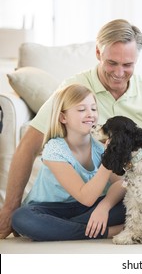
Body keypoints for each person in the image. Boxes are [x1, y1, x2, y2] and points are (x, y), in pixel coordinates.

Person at [0, 19, 142, 239]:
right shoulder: (74, 90)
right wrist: (8, 209)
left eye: (128, 65)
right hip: (67, 204)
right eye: (112, 63)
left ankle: (58, 229)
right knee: (23, 218)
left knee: (133, 205)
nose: (119, 73)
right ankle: (97, 231)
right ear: (98, 53)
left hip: (110, 199)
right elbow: (28, 145)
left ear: (137, 60)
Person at [12, 84, 125, 241]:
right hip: (51, 209)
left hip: (85, 210)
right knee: (21, 218)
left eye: (93, 109)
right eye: (81, 110)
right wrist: (108, 161)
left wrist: (103, 207)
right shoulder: (55, 149)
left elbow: (121, 184)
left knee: (130, 203)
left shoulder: (99, 148)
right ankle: (105, 231)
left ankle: (59, 229)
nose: (90, 114)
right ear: (63, 117)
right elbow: (85, 197)